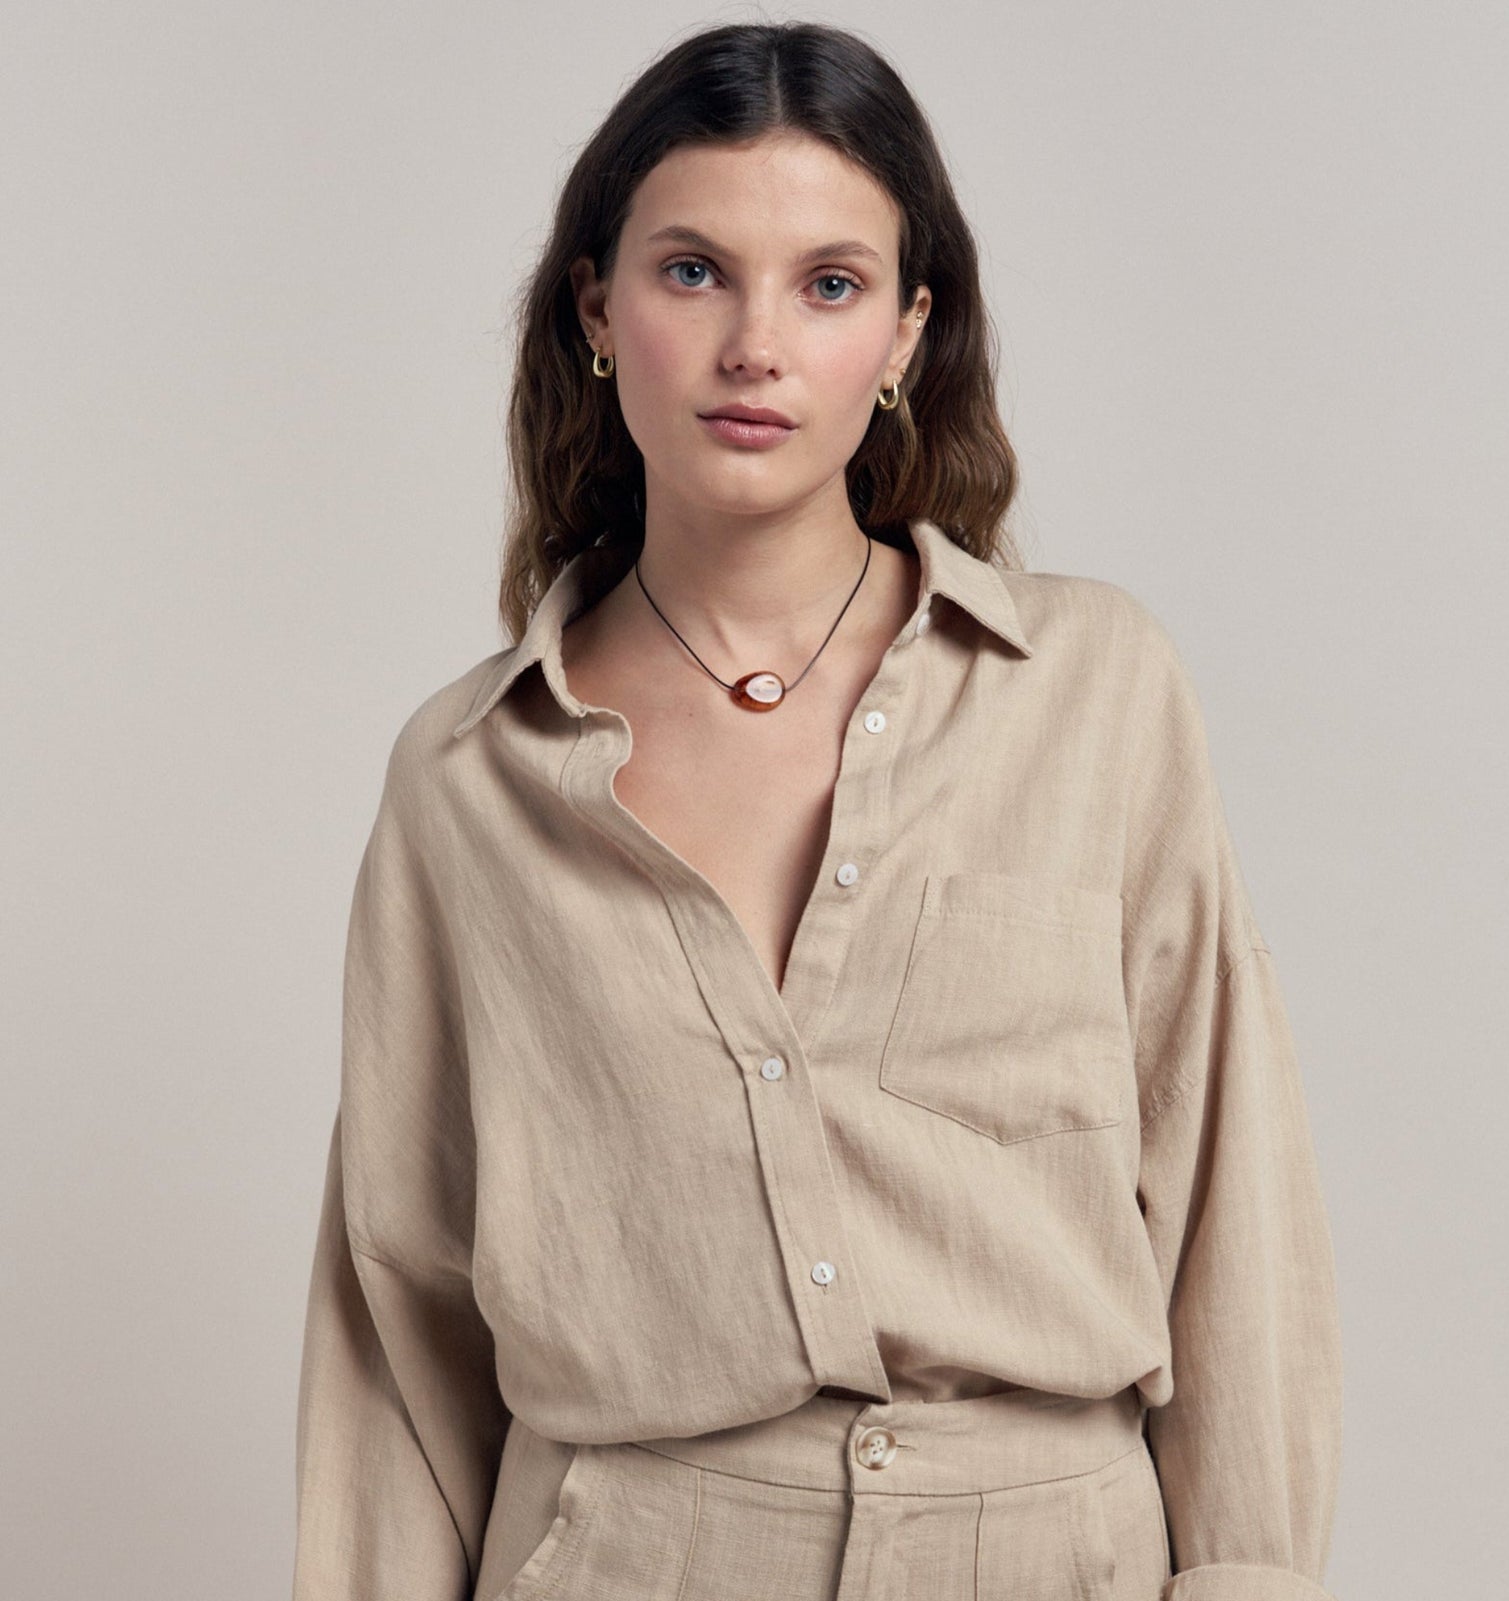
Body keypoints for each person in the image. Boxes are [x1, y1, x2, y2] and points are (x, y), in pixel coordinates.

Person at [291, 20, 1343, 1601]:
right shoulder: (468, 776)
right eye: (694, 270)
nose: (756, 347)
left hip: (1052, 1556)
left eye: (830, 284)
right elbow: (399, 1315)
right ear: (595, 306)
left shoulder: (1096, 689)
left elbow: (1227, 1193)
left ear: (911, 333)